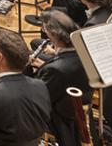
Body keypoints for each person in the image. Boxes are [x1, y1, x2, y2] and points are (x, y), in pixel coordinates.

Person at [33, 11, 90, 146]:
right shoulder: (82, 49)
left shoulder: (55, 70)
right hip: (79, 96)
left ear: (54, 35)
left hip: (60, 116)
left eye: (46, 30)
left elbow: (40, 97)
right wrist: (46, 64)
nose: (45, 33)